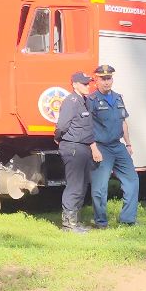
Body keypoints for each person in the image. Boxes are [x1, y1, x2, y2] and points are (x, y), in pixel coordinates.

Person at [87, 64, 139, 229]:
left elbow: (123, 122)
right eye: (103, 79)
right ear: (96, 80)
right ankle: (101, 222)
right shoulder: (91, 100)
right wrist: (93, 148)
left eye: (109, 78)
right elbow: (86, 126)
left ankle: (128, 219)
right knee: (100, 187)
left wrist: (128, 143)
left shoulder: (118, 98)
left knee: (132, 180)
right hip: (101, 147)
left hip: (118, 146)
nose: (106, 82)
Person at [54, 71, 95, 234]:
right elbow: (62, 125)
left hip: (82, 147)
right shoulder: (71, 101)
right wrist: (58, 138)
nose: (88, 86)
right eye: (84, 84)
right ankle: (68, 224)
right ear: (75, 84)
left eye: (88, 83)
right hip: (73, 147)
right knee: (75, 185)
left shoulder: (83, 101)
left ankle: (75, 221)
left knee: (82, 185)